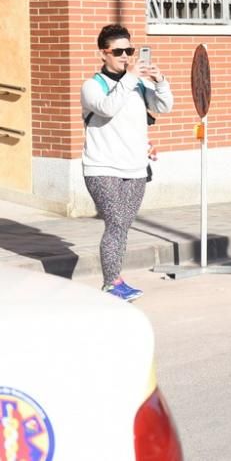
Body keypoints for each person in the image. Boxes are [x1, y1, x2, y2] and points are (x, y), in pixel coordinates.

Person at [81, 24, 173, 301]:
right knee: (116, 222)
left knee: (122, 226)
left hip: (135, 168)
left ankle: (116, 280)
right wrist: (131, 79)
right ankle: (111, 283)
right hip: (102, 168)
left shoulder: (138, 85)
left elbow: (163, 107)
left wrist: (159, 81)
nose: (125, 56)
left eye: (129, 50)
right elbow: (108, 108)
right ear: (103, 53)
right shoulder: (92, 86)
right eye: (119, 51)